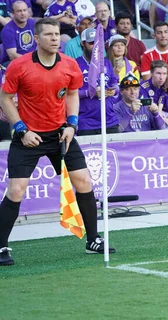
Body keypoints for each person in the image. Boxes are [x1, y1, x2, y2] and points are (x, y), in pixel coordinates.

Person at [0, 18, 115, 266]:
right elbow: (6, 98)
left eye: (57, 34)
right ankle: (1, 246)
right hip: (27, 136)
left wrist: (72, 124)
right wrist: (21, 129)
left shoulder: (69, 65)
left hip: (60, 133)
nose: (55, 38)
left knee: (84, 181)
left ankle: (93, 240)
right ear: (37, 38)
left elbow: (72, 94)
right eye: (49, 35)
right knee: (16, 190)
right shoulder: (19, 66)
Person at [75, 28, 120, 135]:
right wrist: (90, 92)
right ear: (82, 44)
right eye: (91, 43)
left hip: (110, 120)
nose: (96, 46)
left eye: (98, 43)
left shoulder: (107, 63)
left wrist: (114, 89)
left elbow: (115, 84)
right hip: (87, 123)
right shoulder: (75, 64)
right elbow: (70, 93)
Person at [0, 1, 36, 66]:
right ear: (13, 14)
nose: (23, 13)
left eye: (24, 10)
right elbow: (13, 56)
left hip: (32, 59)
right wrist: (33, 61)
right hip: (13, 63)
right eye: (19, 11)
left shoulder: (32, 23)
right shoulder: (8, 30)